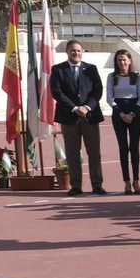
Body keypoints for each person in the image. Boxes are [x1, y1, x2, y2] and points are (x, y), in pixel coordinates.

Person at [50, 39, 106, 196]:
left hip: (90, 116)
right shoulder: (58, 69)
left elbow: (98, 90)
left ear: (82, 52)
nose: (76, 53)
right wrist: (74, 108)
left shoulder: (91, 69)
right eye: (73, 50)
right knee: (73, 153)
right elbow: (57, 92)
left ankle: (97, 185)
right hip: (69, 117)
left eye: (79, 51)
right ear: (67, 51)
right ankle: (76, 185)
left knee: (94, 153)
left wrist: (86, 107)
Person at [104, 50, 140, 194]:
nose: (122, 62)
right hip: (118, 113)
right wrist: (121, 113)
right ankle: (126, 181)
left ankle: (136, 180)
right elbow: (109, 98)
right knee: (123, 148)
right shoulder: (112, 77)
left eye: (124, 60)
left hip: (134, 112)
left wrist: (132, 113)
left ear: (130, 61)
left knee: (134, 147)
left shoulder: (137, 77)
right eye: (119, 60)